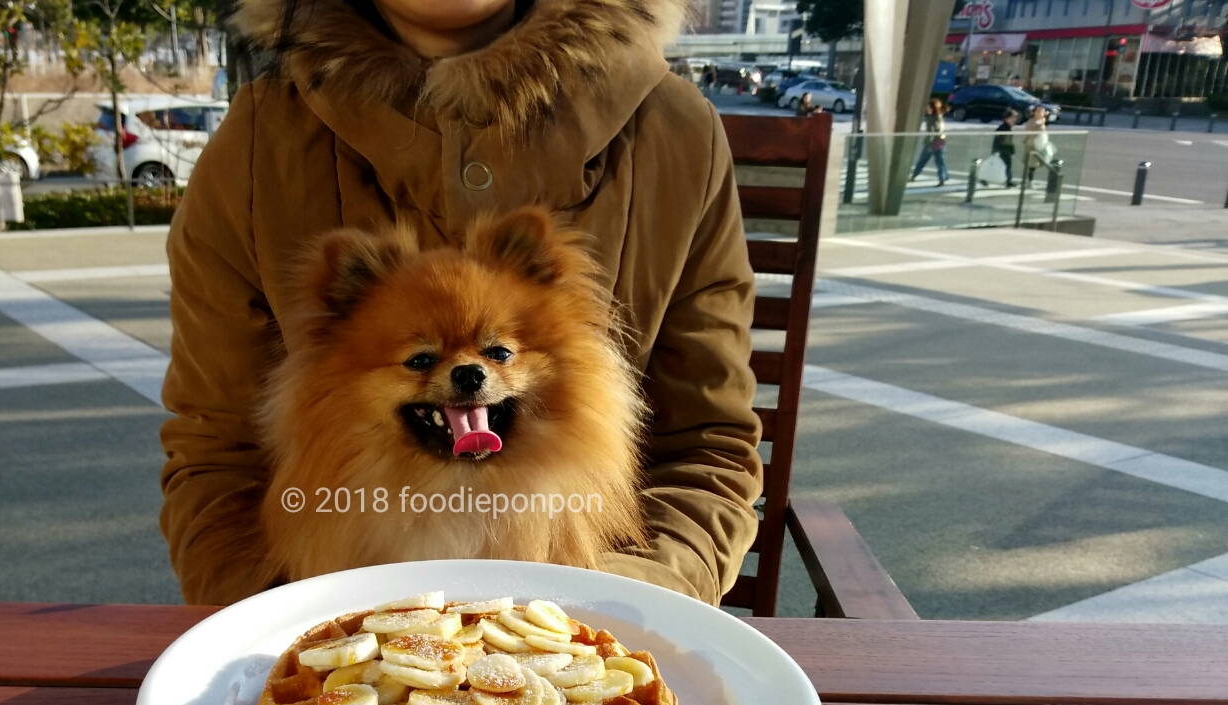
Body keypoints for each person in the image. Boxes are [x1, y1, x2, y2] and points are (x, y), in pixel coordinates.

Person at [160, 0, 764, 608]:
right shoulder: (259, 143)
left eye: (498, 352)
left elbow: (709, 452)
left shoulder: (675, 133)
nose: (470, 370)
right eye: (421, 360)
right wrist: (290, 634)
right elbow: (215, 462)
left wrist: (612, 617)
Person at [909, 98, 948, 185]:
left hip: (931, 143)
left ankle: (913, 176)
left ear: (932, 108)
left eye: (928, 107)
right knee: (940, 161)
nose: (927, 109)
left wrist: (930, 145)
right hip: (940, 142)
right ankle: (943, 178)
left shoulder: (931, 119)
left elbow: (932, 132)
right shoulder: (939, 117)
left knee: (922, 160)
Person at [1022, 104, 1058, 184]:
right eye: (1038, 111)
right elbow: (1029, 132)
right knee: (1031, 164)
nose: (1040, 113)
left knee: (1044, 160)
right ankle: (1029, 180)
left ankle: (1030, 180)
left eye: (1042, 111)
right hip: (1032, 145)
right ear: (1034, 112)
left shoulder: (1043, 121)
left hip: (1042, 145)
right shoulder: (1031, 122)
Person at [990, 108, 1017, 188]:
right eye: (1013, 117)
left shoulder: (1004, 127)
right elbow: (1006, 141)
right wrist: (1011, 150)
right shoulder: (1005, 128)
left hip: (1001, 149)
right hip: (1004, 150)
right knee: (1006, 165)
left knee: (1001, 165)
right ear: (1007, 118)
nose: (1014, 120)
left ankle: (1008, 180)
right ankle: (1009, 180)